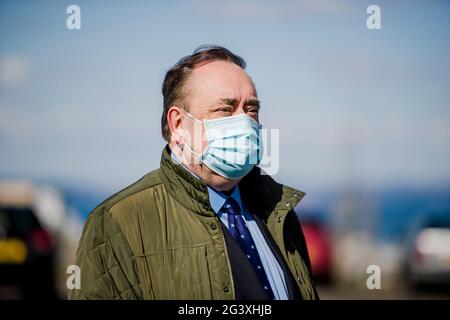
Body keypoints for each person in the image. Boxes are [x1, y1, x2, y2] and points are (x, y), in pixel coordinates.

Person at [69, 45, 318, 300]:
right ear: (177, 124)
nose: (244, 121)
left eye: (251, 109)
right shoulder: (118, 221)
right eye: (225, 109)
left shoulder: (279, 212)